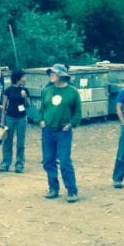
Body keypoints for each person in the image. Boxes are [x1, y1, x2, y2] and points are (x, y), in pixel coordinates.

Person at [39, 64, 82, 202]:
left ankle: (72, 191)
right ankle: (53, 188)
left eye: (54, 73)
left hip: (63, 132)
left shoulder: (73, 92)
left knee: (64, 161)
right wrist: (41, 121)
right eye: (50, 73)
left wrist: (70, 125)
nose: (51, 75)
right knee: (48, 160)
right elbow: (42, 109)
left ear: (62, 75)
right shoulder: (47, 91)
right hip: (48, 131)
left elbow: (77, 113)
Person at [0, 71, 30, 173]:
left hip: (21, 118)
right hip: (10, 118)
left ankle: (19, 164)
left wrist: (25, 97)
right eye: (23, 77)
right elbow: (4, 106)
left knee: (20, 142)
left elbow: (28, 105)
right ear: (18, 78)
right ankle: (6, 163)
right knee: (8, 141)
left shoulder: (25, 90)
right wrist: (2, 120)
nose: (25, 79)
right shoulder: (8, 90)